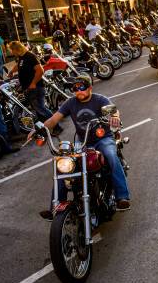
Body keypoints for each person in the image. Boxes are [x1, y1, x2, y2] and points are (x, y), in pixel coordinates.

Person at [31, 74, 130, 219]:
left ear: (90, 87)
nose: (78, 92)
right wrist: (38, 130)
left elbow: (114, 111)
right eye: (75, 89)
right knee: (64, 166)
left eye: (82, 88)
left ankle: (122, 197)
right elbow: (54, 119)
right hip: (82, 141)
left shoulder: (99, 99)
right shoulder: (71, 103)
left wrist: (115, 117)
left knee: (111, 156)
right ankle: (55, 206)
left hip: (103, 138)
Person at [7, 41, 63, 135]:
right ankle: (44, 130)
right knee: (38, 110)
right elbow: (19, 65)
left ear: (17, 49)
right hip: (29, 88)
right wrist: (12, 71)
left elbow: (40, 70)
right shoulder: (22, 57)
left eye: (12, 50)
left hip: (35, 88)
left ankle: (57, 126)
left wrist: (33, 83)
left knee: (41, 109)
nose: (11, 53)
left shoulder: (30, 56)